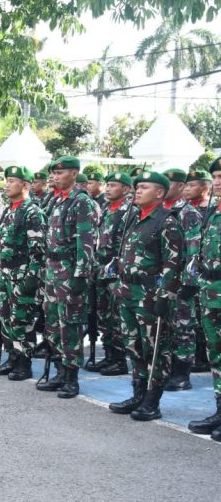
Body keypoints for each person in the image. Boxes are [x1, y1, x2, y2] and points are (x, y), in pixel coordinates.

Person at [108, 170, 183, 421]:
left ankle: (152, 400)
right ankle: (138, 393)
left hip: (150, 295)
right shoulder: (134, 217)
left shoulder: (167, 221)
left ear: (160, 193)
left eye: (145, 187)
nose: (138, 190)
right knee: (134, 346)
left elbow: (174, 264)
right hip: (128, 292)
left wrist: (166, 296)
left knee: (155, 349)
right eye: (137, 187)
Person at [37, 156, 97, 399]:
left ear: (74, 174)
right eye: (53, 173)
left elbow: (87, 242)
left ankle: (72, 377)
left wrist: (80, 276)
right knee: (52, 323)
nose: (55, 177)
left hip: (70, 273)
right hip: (52, 271)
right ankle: (60, 371)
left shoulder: (82, 203)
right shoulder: (56, 200)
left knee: (70, 325)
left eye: (60, 173)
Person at [0, 166, 45, 380]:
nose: (7, 184)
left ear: (25, 185)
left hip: (22, 275)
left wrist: (30, 279)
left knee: (22, 319)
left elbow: (38, 250)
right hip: (7, 273)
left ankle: (24, 362)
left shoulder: (33, 212)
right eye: (7, 180)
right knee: (6, 317)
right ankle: (12, 356)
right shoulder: (9, 209)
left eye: (12, 180)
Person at [187, 157, 221, 441]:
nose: (219, 181)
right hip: (210, 293)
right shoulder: (213, 211)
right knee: (216, 355)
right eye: (217, 176)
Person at [89, 172, 133, 376]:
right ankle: (108, 356)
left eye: (113, 185)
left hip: (117, 273)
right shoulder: (107, 208)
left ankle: (119, 360)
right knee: (104, 316)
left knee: (116, 318)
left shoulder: (129, 211)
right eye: (107, 185)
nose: (108, 188)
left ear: (126, 189)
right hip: (102, 270)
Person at [162, 169, 202, 391]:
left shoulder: (187, 213)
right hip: (161, 279)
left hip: (180, 280)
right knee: (165, 325)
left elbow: (194, 249)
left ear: (180, 187)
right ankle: (167, 368)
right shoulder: (160, 211)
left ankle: (182, 374)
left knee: (183, 326)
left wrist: (188, 281)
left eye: (169, 184)